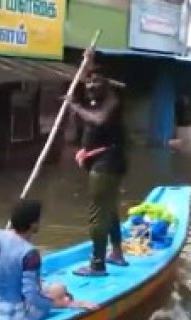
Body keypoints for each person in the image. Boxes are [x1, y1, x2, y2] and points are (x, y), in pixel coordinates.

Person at [0, 199, 98, 320]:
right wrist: (66, 304)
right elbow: (32, 296)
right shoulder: (29, 253)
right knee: (59, 289)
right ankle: (61, 298)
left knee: (46, 287)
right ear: (34, 224)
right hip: (12, 316)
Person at [68, 66, 128, 276]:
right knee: (109, 209)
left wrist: (75, 106)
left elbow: (99, 120)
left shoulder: (111, 101)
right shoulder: (92, 101)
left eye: (96, 82)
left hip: (108, 164)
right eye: (89, 82)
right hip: (101, 162)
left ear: (107, 84)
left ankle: (97, 264)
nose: (91, 86)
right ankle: (117, 253)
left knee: (97, 214)